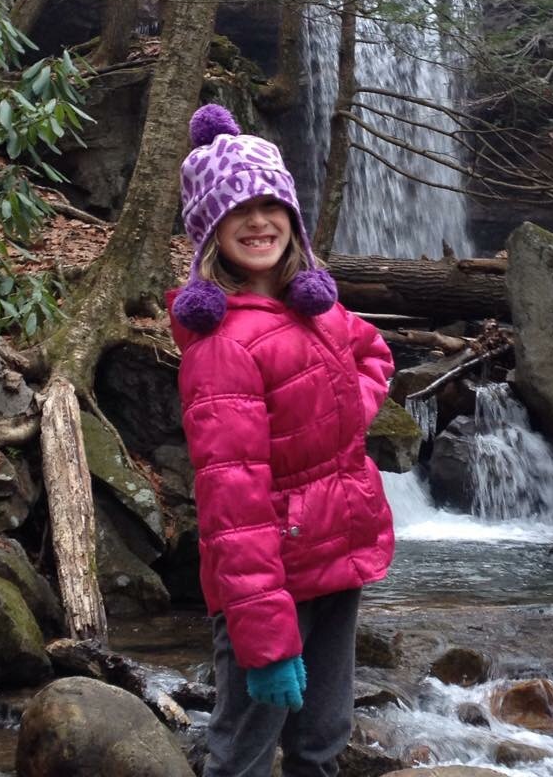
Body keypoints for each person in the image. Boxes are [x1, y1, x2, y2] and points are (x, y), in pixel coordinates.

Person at [167, 103, 395, 777]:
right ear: (210, 230)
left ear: (293, 217)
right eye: (238, 209)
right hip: (271, 578)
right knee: (241, 750)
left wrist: (338, 418)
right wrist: (264, 640)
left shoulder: (315, 307)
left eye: (271, 204)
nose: (259, 220)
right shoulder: (221, 347)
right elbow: (232, 507)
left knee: (322, 738)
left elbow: (374, 352)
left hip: (338, 552)